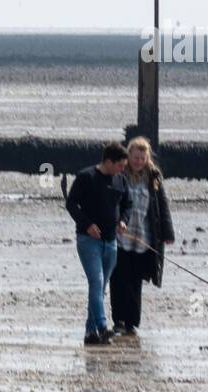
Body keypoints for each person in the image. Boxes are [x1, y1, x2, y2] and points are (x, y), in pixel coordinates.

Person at [65, 142, 131, 345]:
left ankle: (90, 333)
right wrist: (87, 225)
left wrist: (123, 221)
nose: (122, 169)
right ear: (108, 161)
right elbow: (71, 204)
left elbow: (127, 204)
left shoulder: (121, 180)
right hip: (88, 241)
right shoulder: (86, 176)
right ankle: (102, 326)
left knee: (101, 287)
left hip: (111, 242)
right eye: (120, 165)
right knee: (96, 282)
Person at [110, 136, 175, 335]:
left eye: (142, 158)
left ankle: (132, 322)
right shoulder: (120, 174)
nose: (138, 161)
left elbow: (162, 205)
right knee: (118, 279)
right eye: (135, 157)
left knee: (135, 282)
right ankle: (118, 320)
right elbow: (111, 201)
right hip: (121, 237)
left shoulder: (154, 177)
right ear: (128, 156)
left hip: (143, 237)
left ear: (147, 158)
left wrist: (167, 232)